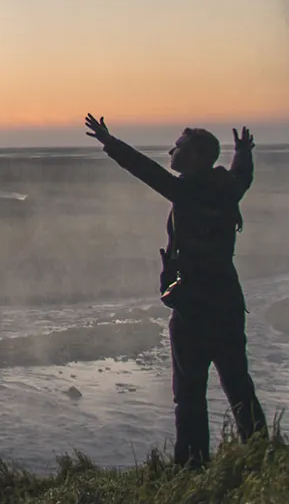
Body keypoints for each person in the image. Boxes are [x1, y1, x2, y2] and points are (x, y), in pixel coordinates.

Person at [83, 114, 265, 467]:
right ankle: (261, 452)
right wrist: (243, 151)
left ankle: (192, 467)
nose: (171, 151)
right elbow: (243, 173)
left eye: (178, 148)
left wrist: (110, 142)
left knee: (189, 395)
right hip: (227, 304)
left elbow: (146, 170)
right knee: (239, 385)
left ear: (196, 157)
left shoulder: (187, 191)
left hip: (194, 308)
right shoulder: (228, 188)